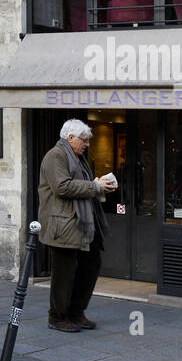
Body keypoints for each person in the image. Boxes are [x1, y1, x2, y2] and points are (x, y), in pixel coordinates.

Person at [38, 119, 114, 332]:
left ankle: (76, 312)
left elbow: (81, 186)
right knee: (64, 273)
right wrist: (94, 186)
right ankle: (57, 317)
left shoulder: (78, 158)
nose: (87, 144)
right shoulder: (56, 156)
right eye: (84, 140)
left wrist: (98, 187)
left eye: (88, 140)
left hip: (82, 224)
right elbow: (62, 187)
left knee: (91, 266)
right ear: (70, 138)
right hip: (63, 224)